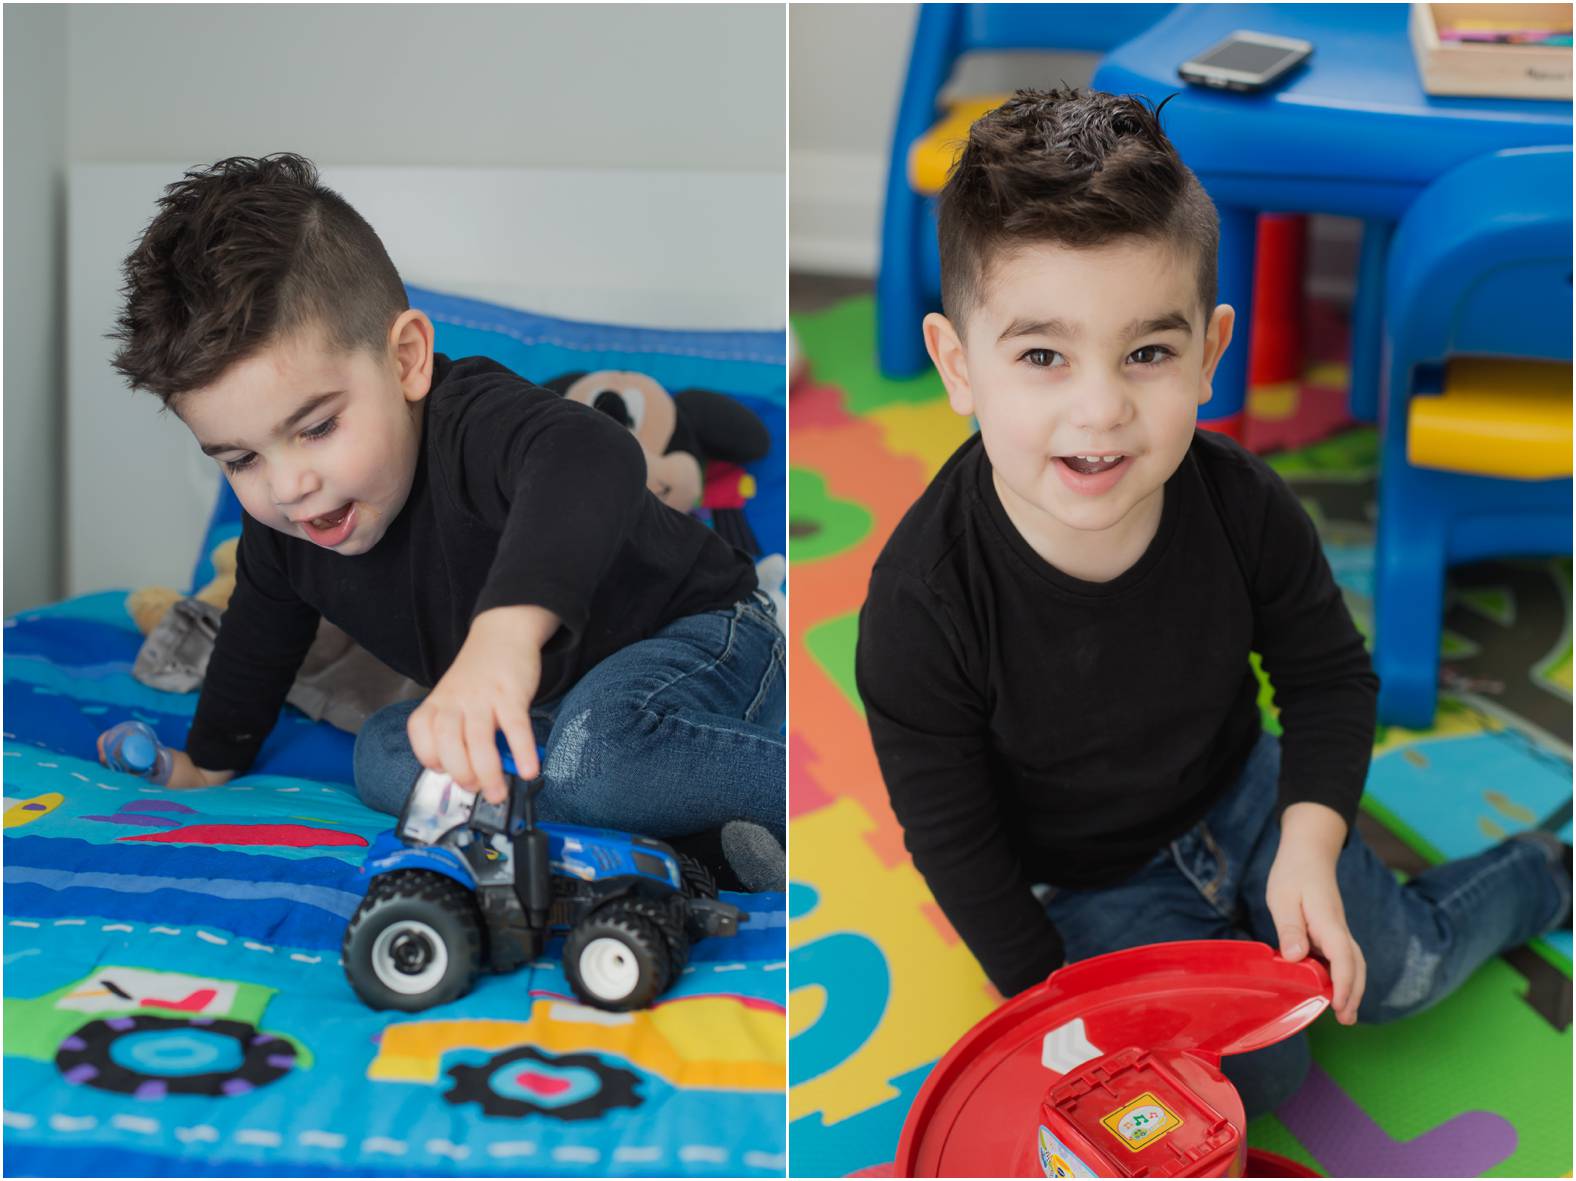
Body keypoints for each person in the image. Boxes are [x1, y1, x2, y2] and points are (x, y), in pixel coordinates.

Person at [854, 89, 1570, 1112]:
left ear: (1208, 351)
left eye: (1147, 351)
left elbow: (1326, 675)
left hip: (1247, 794)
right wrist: (1045, 1001)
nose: (1098, 408)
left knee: (1400, 971)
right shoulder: (920, 603)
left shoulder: (1241, 504)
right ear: (959, 366)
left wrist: (1312, 843)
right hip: (1089, 882)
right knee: (1259, 1071)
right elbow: (957, 844)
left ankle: (1543, 867)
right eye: (1042, 355)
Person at [105, 153, 785, 890]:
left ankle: (785, 788)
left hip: (700, 637)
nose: (289, 486)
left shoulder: (474, 422)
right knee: (386, 754)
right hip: (558, 715)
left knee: (598, 756)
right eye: (240, 460)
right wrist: (209, 762)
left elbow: (593, 453)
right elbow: (256, 640)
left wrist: (503, 634)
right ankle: (696, 848)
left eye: (318, 427)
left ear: (406, 360)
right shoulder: (287, 531)